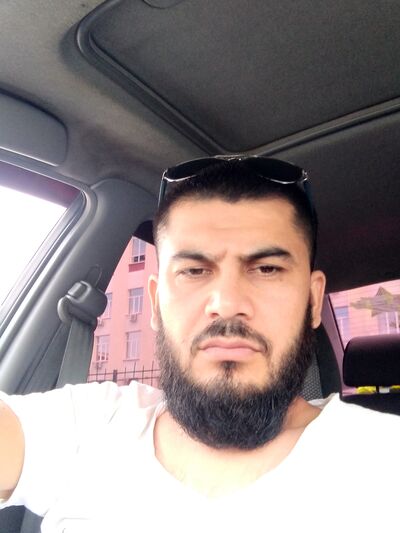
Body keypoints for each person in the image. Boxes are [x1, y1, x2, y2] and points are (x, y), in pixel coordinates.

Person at [0, 156, 398, 532]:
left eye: (267, 268)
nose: (226, 302)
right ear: (155, 303)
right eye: (193, 271)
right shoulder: (89, 426)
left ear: (312, 300)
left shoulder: (383, 461)